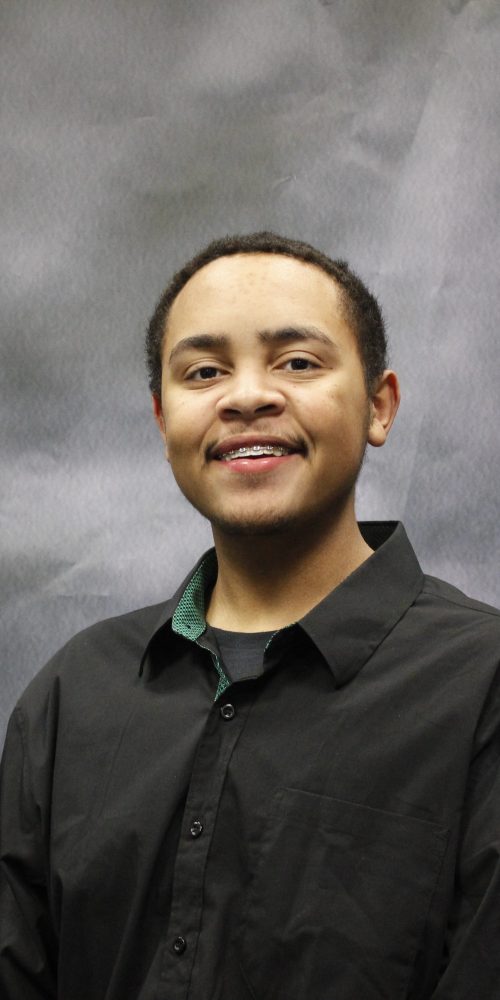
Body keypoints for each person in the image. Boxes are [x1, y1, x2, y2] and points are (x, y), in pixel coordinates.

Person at [1, 231, 499, 1000]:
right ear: (163, 420)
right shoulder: (74, 693)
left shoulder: (480, 686)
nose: (246, 397)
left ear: (379, 405)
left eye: (297, 362)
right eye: (204, 372)